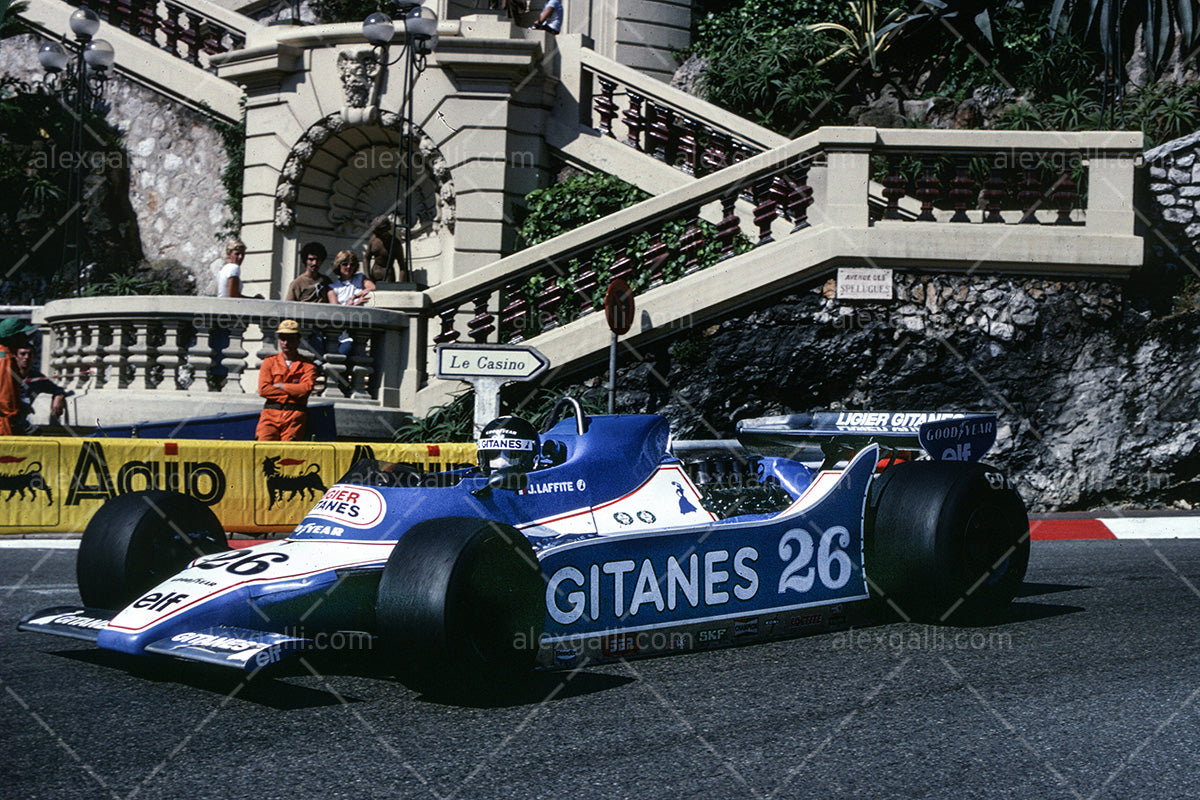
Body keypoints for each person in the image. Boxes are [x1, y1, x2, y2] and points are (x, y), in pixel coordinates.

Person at [255, 319, 317, 442]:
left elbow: (306, 389)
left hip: (294, 417)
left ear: (298, 340)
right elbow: (263, 390)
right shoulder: (269, 362)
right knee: (262, 451)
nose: (286, 343)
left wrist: (281, 386)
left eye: (290, 339)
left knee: (288, 455)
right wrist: (293, 394)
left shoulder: (308, 366)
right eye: (282, 338)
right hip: (270, 415)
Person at [12, 337, 68, 434]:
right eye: (22, 354)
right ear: (16, 357)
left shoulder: (36, 377)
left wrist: (58, 398)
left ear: (33, 357)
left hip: (22, 422)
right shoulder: (8, 375)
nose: (26, 357)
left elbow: (57, 389)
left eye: (30, 354)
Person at [326, 250, 376, 356]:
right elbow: (337, 313)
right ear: (338, 266)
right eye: (345, 264)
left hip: (359, 329)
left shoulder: (360, 278)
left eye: (352, 264)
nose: (348, 267)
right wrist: (353, 305)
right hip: (341, 334)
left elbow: (372, 287)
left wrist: (355, 296)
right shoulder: (332, 288)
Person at [0, 317, 36, 436]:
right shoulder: (5, 358)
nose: (25, 337)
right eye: (21, 334)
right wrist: (15, 417)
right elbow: (6, 398)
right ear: (12, 337)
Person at [364, 216, 403, 284]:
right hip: (374, 274)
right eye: (375, 232)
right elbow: (366, 258)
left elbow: (402, 266)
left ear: (386, 229)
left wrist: (401, 284)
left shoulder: (395, 243)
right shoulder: (373, 240)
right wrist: (367, 277)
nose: (376, 234)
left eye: (379, 232)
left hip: (388, 276)